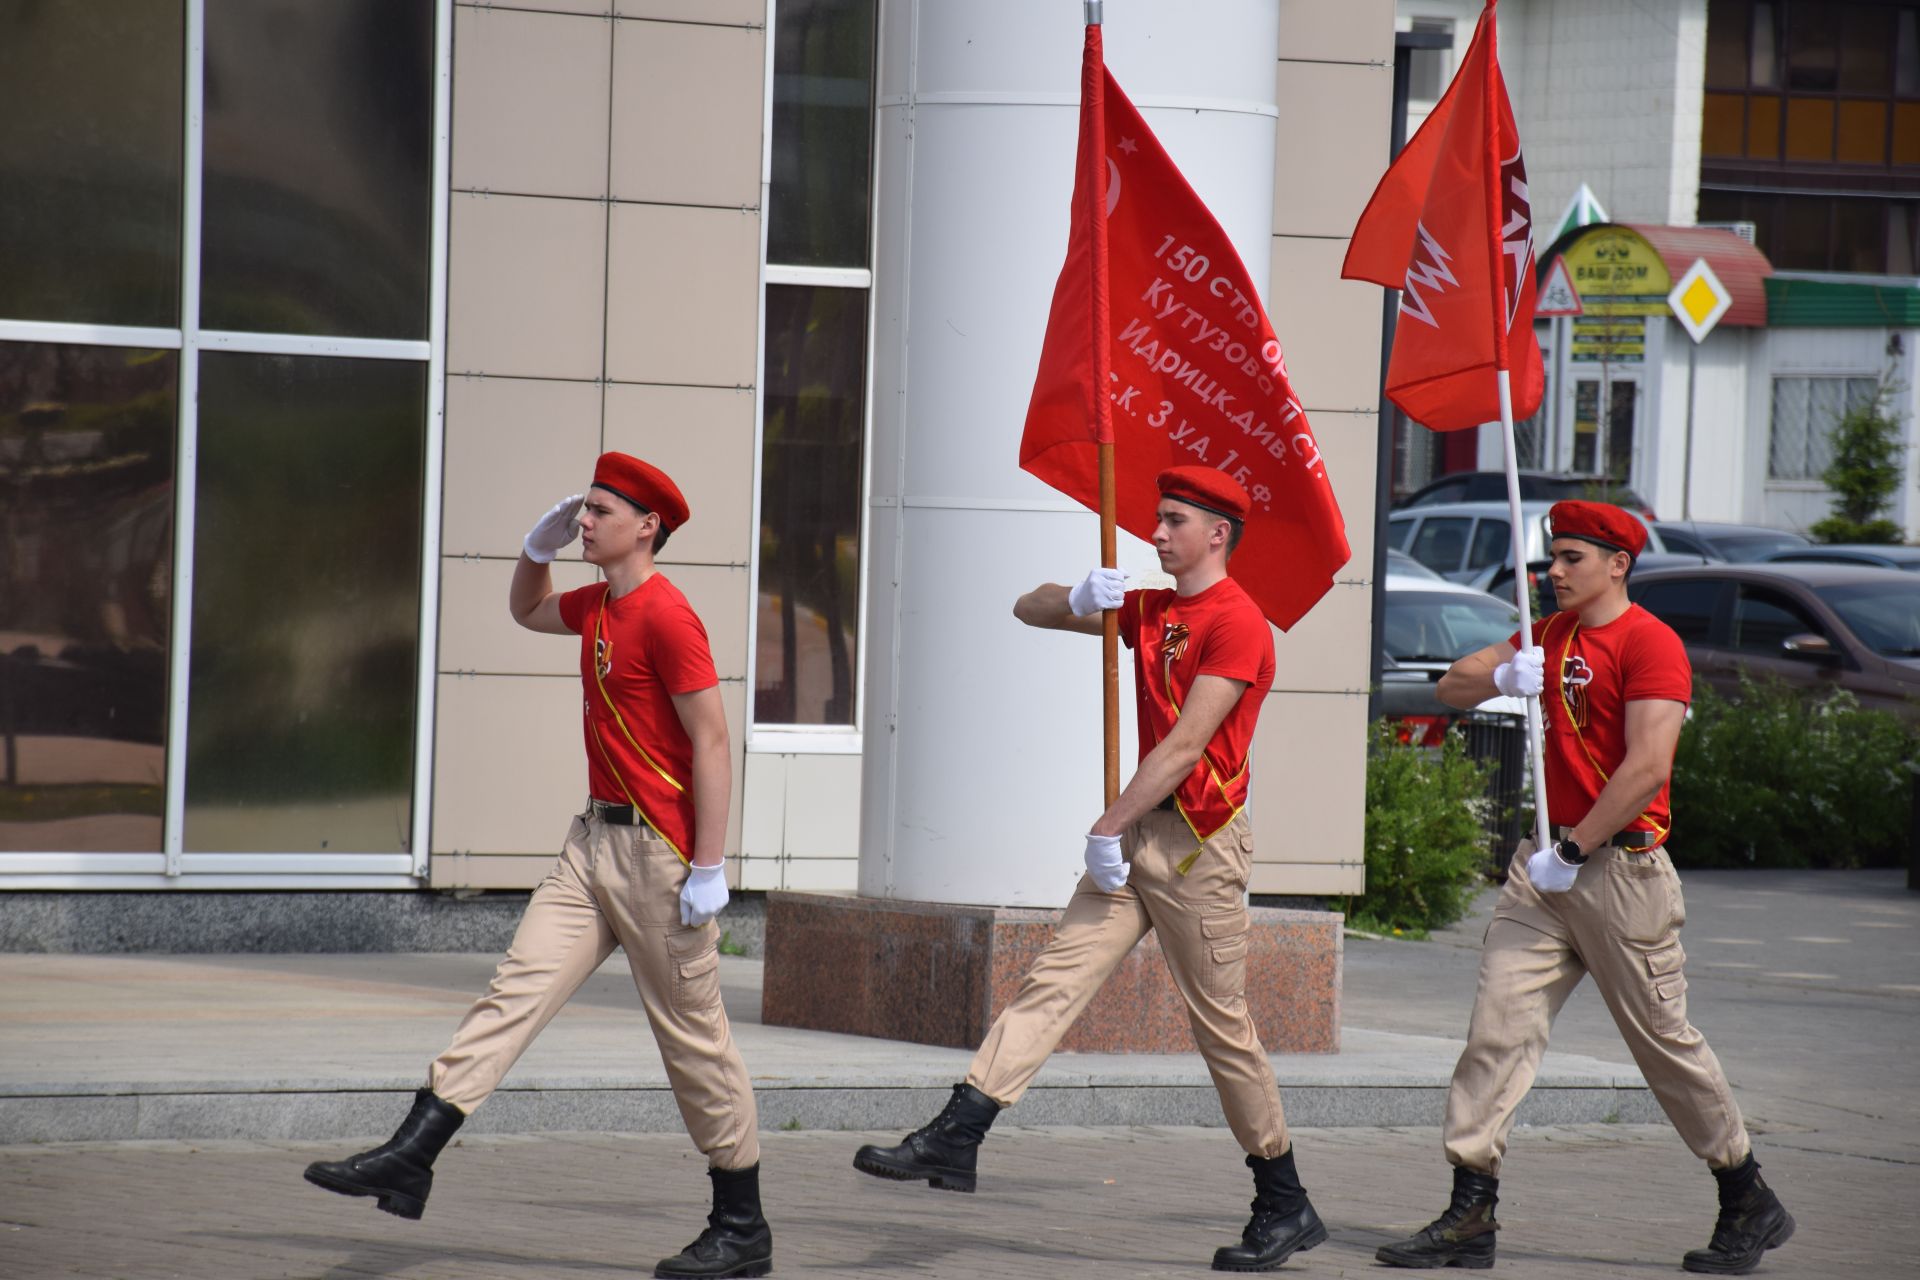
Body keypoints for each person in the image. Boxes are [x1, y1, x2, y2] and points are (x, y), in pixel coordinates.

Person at [303, 452, 771, 1280]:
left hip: (659, 859)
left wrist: (708, 866)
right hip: (590, 847)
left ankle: (742, 1227)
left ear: (647, 526)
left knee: (695, 1043)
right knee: (511, 993)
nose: (583, 521)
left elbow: (712, 740)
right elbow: (527, 611)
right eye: (581, 510)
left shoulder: (668, 616)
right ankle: (413, 1155)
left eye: (597, 512)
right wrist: (535, 548)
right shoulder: (597, 603)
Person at [852, 466, 1327, 1273]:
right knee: (1054, 981)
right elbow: (1025, 607)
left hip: (1198, 848)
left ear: (1218, 534)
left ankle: (1284, 1201)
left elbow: (1185, 746)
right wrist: (1077, 595)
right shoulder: (1147, 609)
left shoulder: (1239, 622)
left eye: (1174, 519)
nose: (1156, 530)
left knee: (1223, 1029)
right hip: (1138, 836)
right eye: (1156, 515)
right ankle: (957, 1136)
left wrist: (1107, 824)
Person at [1374, 501, 1793, 1276]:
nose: (1553, 572)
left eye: (1570, 558)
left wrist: (1574, 847)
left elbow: (1647, 768)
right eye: (1551, 557)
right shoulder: (1550, 635)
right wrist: (1504, 671)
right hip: (1544, 874)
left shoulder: (1651, 644)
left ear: (1617, 564)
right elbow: (1452, 687)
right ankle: (1473, 1210)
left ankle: (1746, 1196)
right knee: (1494, 1031)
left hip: (1617, 871)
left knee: (1664, 1045)